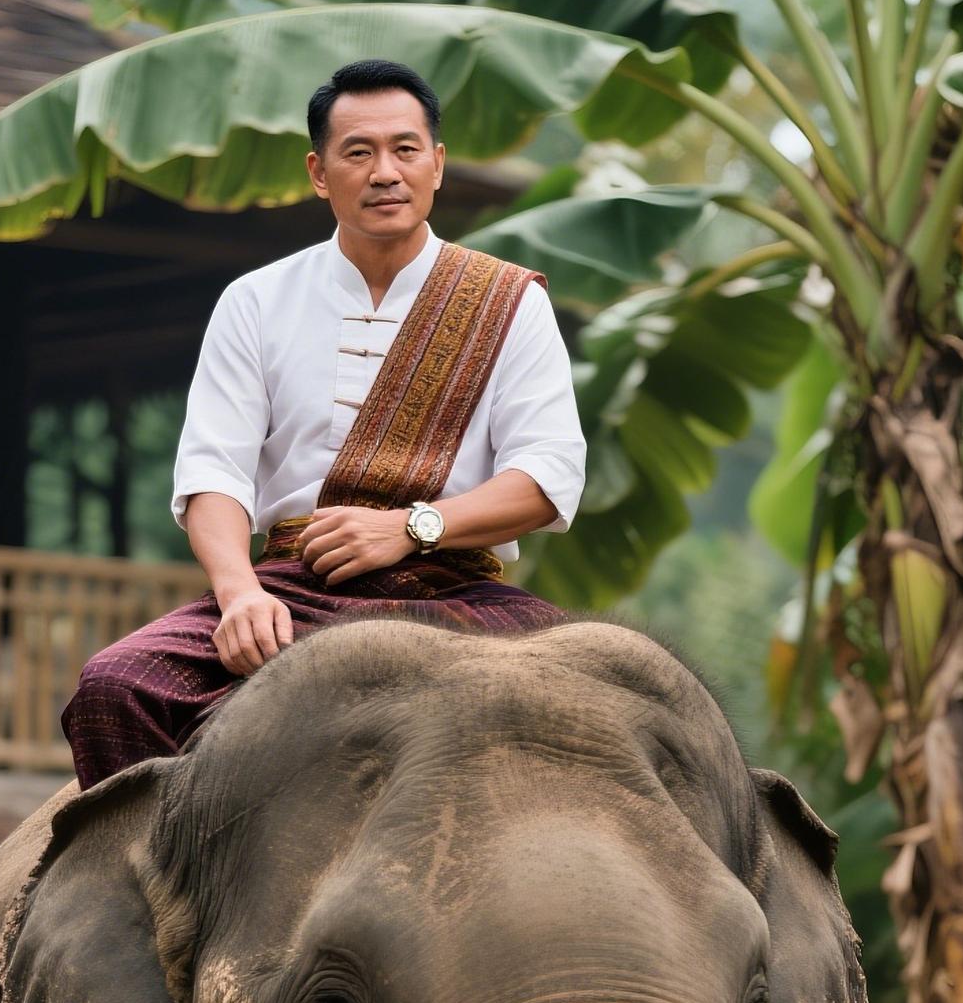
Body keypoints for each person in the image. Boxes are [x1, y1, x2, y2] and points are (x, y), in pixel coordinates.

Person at [62, 57, 586, 788]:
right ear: (318, 171)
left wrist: (409, 527)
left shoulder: (510, 303)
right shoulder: (256, 301)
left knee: (601, 704)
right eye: (358, 152)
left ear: (436, 164)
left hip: (455, 589)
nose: (385, 172)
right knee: (113, 685)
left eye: (405, 150)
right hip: (293, 589)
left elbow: (548, 479)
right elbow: (214, 472)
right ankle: (171, 903)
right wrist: (240, 592)